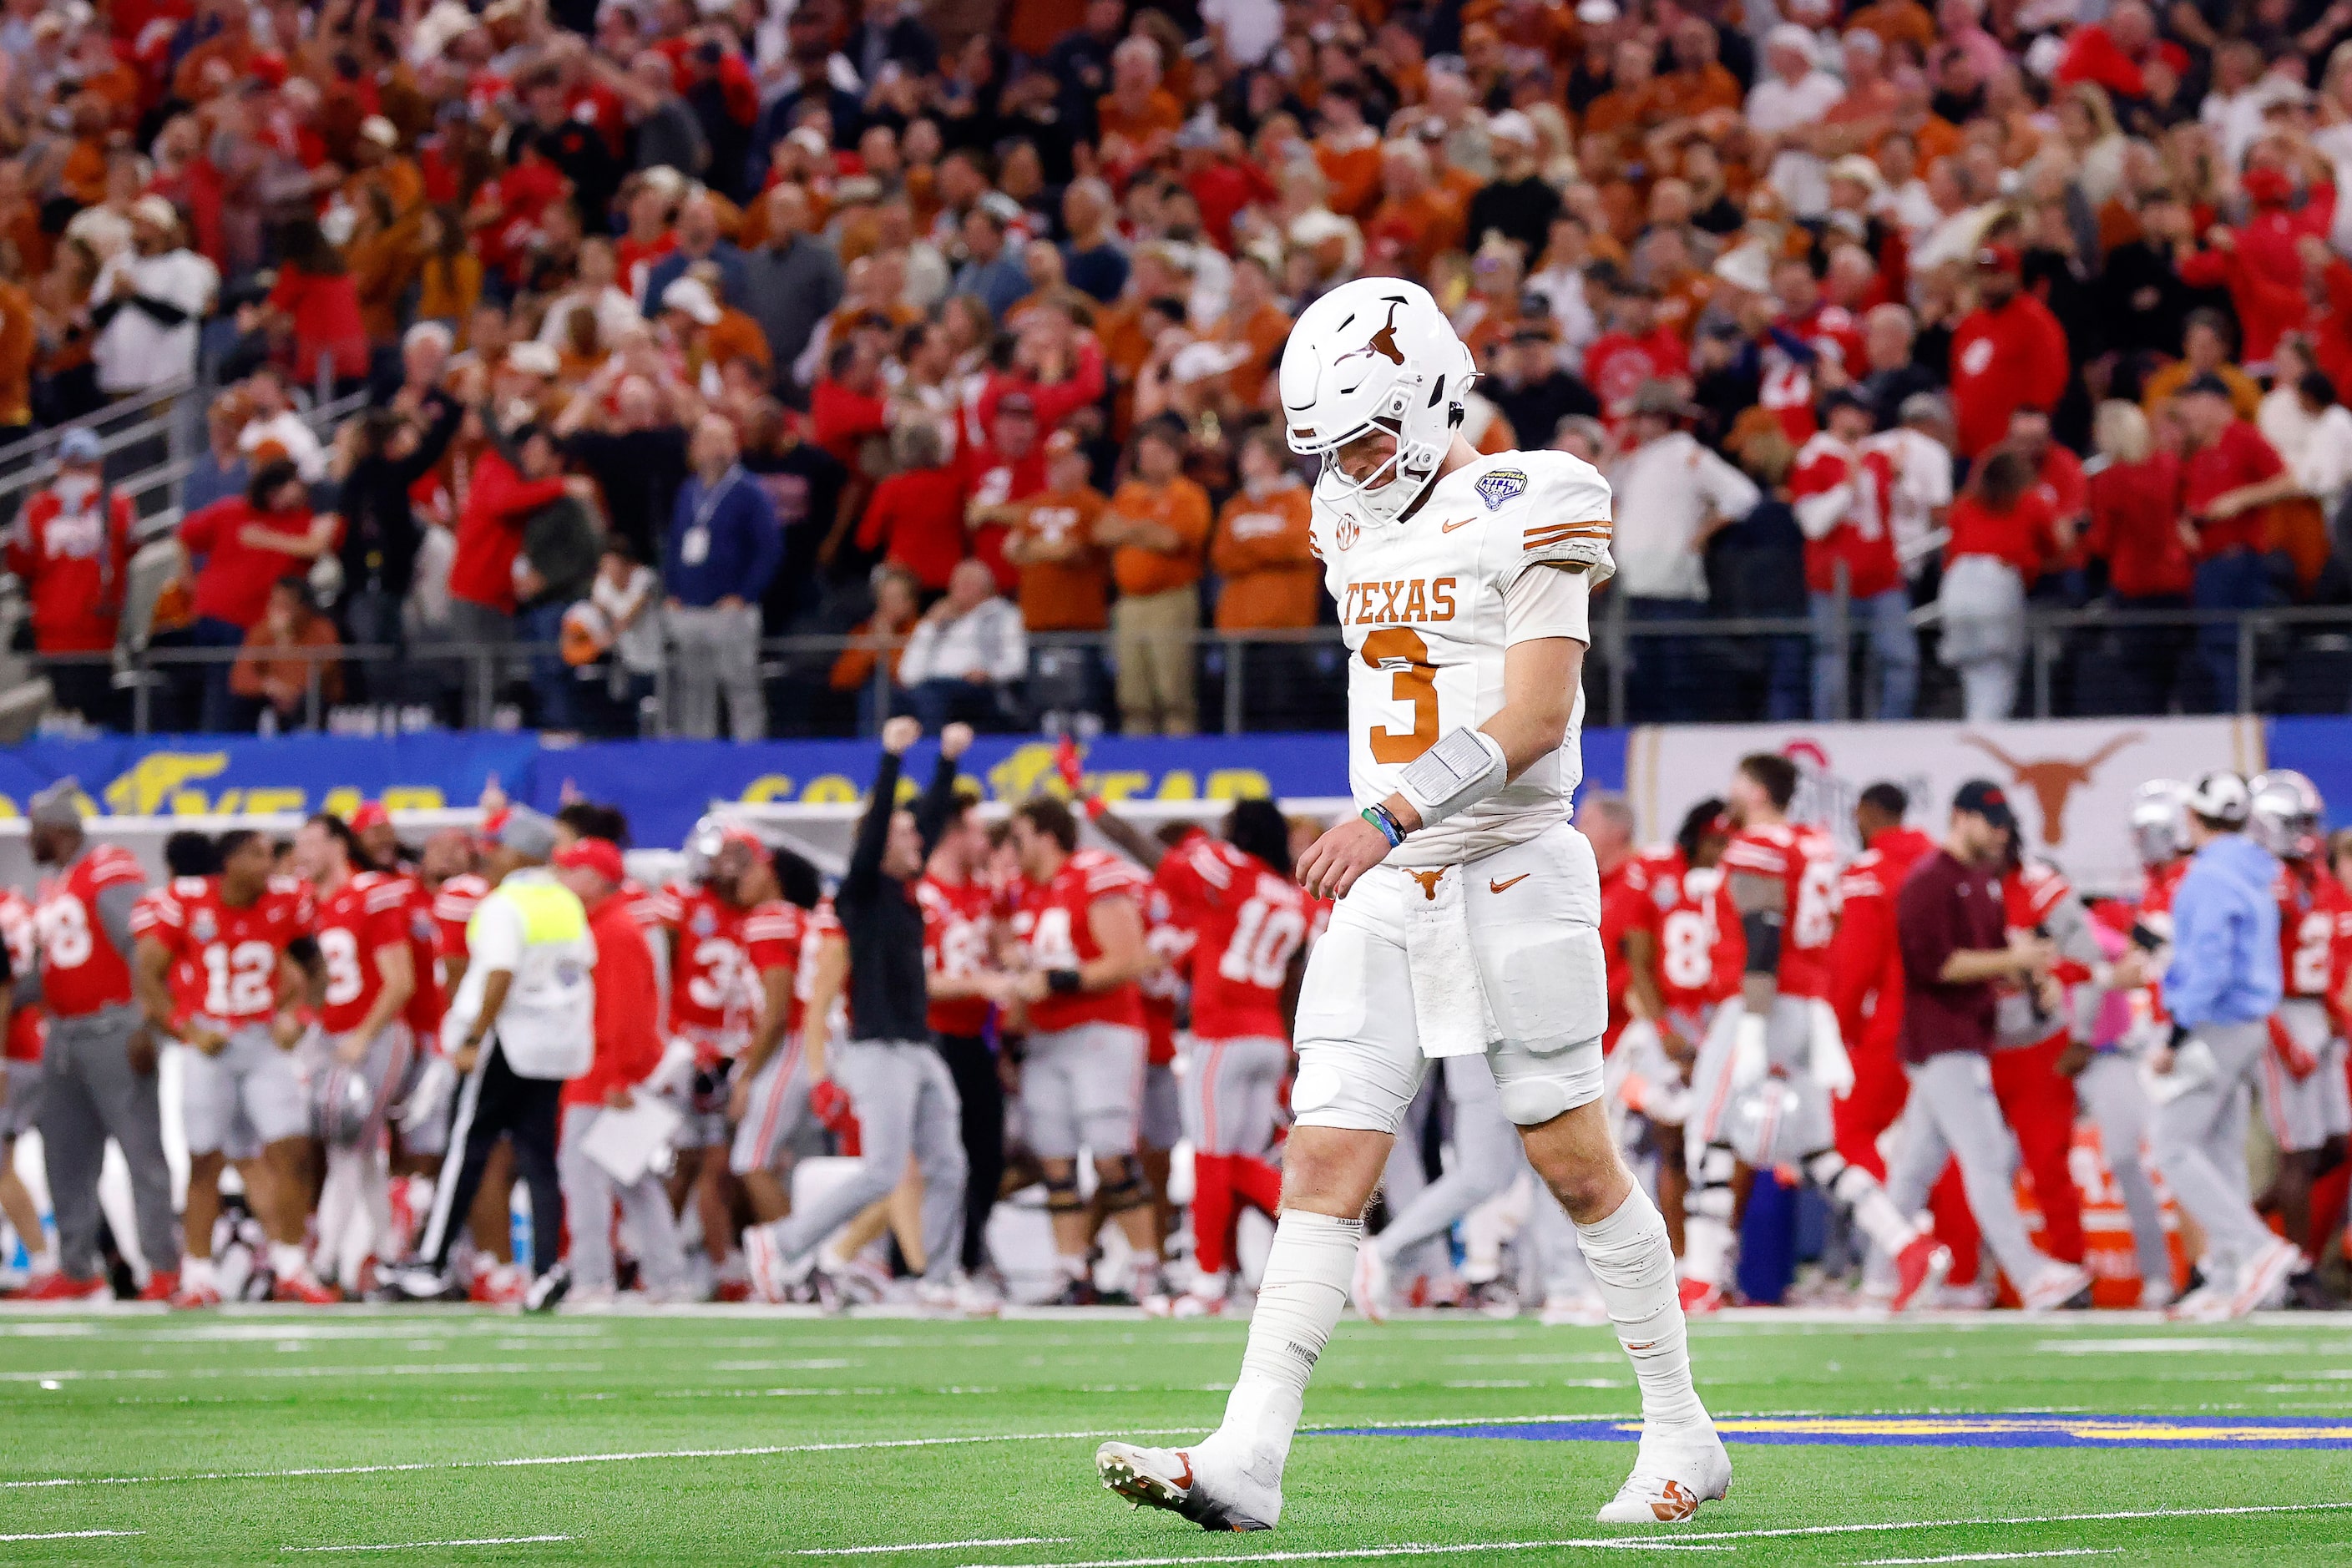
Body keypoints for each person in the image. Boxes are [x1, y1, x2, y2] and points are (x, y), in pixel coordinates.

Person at [1095, 277, 1725, 1530]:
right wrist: (1387, 831)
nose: (1350, 466)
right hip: (1394, 878)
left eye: (1370, 438)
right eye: (1328, 447)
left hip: (1503, 860)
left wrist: (1391, 810)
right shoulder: (1340, 511)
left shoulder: (1536, 493)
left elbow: (1539, 715)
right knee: (1324, 1146)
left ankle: (1680, 1427)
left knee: (1572, 1159)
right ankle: (1248, 1455)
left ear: (1437, 396)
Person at [1681, 751, 1946, 1314]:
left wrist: (1753, 1018)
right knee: (1818, 1151)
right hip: (1807, 1004)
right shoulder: (1814, 844)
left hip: (1759, 1002)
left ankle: (1702, 1276)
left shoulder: (1760, 845)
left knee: (1706, 1132)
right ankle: (1904, 1244)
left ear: (1755, 791)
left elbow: (1764, 927)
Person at [742, 719, 972, 1305]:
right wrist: (892, 759)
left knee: (949, 1165)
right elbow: (876, 840)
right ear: (878, 839)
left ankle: (938, 1278)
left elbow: (924, 821)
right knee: (882, 1170)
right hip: (877, 1050)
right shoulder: (859, 893)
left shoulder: (900, 891)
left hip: (917, 1046)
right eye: (903, 832)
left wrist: (946, 762)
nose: (918, 839)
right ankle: (784, 1241)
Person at [1883, 780, 2092, 1313]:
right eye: (1990, 822)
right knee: (1988, 1156)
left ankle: (1878, 1278)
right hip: (1943, 1039)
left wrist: (2030, 975)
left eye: (2003, 824)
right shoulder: (1929, 881)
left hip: (1965, 1036)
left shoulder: (1980, 882)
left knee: (1914, 1170)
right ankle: (2028, 1274)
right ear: (1960, 817)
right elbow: (1940, 965)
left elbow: (1994, 956)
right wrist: (2014, 963)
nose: (2000, 833)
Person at [387, 807, 593, 1313]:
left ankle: (432, 1260)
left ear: (520, 853)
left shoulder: (506, 903)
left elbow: (499, 973)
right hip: (555, 1044)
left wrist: (476, 1035)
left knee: (467, 1147)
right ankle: (547, 1269)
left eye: (499, 848)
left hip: (507, 1039)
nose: (491, 856)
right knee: (539, 1161)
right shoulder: (566, 901)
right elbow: (578, 969)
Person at [131, 826, 331, 1306]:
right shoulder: (190, 902)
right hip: (210, 1043)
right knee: (205, 1161)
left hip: (262, 1041)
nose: (270, 865)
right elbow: (147, 972)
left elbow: (316, 966)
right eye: (258, 855)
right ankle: (198, 1274)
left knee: (292, 1152)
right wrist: (187, 1029)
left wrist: (300, 1016)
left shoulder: (285, 904)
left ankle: (291, 1266)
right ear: (231, 862)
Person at [2152, 772, 2307, 1320]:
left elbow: (2208, 965)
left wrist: (2175, 1031)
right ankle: (2224, 1278)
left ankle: (2258, 1251)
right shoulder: (2258, 869)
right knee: (2219, 1151)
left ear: (2194, 817)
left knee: (2170, 1144)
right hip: (2249, 1023)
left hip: (2215, 1023)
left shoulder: (2207, 876)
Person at [19, 781, 180, 1301]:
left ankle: (163, 1265)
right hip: (63, 1035)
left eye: (36, 831)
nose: (28, 842)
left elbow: (144, 945)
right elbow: (60, 966)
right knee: (64, 1154)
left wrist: (145, 1021)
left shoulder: (107, 867)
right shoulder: (61, 881)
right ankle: (76, 1266)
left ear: (59, 830)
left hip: (113, 1028)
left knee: (140, 1151)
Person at [551, 835, 688, 1304]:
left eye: (571, 870)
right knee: (633, 1179)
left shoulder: (613, 932)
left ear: (592, 878)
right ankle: (666, 1278)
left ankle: (593, 1278)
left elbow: (626, 1014)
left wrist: (616, 1076)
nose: (562, 878)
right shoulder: (604, 926)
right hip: (607, 1071)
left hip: (603, 1077)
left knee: (584, 1177)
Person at [291, 812, 416, 1295]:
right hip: (329, 1038)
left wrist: (364, 1035)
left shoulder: (372, 893)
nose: (302, 853)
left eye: (311, 843)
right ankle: (388, 1257)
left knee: (348, 1145)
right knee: (356, 1154)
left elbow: (400, 980)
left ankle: (324, 1263)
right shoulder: (305, 904)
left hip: (374, 1035)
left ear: (339, 845)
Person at [2245, 771, 2352, 1284]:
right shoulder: (2268, 883)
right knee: (2299, 1151)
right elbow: (2258, 970)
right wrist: (2285, 1042)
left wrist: (2337, 1021)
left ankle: (2245, 1222)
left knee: (2335, 1144)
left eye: (2312, 820)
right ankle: (2298, 1270)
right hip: (2281, 1013)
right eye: (2297, 822)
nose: (2308, 832)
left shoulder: (2318, 880)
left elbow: (2326, 965)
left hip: (2317, 1014)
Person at [1607, 380, 1759, 724]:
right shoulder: (1634, 460)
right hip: (1636, 584)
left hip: (1674, 584)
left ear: (1663, 419)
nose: (1637, 424)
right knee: (1643, 680)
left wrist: (1704, 532)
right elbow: (1600, 483)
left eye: (1643, 417)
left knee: (1676, 678)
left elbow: (1742, 495)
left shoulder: (1689, 455)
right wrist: (1616, 442)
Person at [1790, 388, 1913, 721]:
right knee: (1832, 661)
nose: (1865, 419)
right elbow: (1813, 525)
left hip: (1883, 576)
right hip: (1833, 581)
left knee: (1900, 659)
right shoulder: (1813, 459)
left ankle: (1892, 730)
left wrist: (1900, 480)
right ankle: (1831, 732)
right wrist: (1846, 486)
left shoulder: (1880, 456)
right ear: (1836, 414)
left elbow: (1909, 513)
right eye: (1856, 411)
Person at [665, 413, 781, 741]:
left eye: (723, 440)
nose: (716, 449)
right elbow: (674, 544)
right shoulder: (688, 491)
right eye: (709, 440)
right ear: (696, 447)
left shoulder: (750, 492)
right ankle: (697, 756)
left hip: (731, 610)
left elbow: (769, 549)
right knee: (694, 690)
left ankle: (748, 756)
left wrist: (744, 594)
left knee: (741, 686)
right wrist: (672, 590)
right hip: (690, 607)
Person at [8, 425, 134, 725]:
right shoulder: (118, 503)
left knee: (66, 711)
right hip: (96, 626)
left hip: (56, 628)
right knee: (96, 712)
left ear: (61, 464)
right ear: (98, 465)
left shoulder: (35, 508)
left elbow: (19, 561)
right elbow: (132, 545)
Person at [1099, 417, 1211, 736]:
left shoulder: (1188, 495)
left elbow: (1174, 541)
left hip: (1170, 601)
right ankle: (1138, 758)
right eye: (1143, 453)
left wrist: (1131, 530)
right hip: (1130, 603)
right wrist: (1147, 529)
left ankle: (1179, 758)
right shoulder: (1128, 493)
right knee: (1132, 694)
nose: (1146, 461)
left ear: (1173, 455)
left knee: (1172, 691)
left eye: (1155, 453)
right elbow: (1103, 532)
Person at [1937, 447, 2061, 721]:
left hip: (1956, 583)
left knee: (1972, 673)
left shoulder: (1964, 504)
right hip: (1997, 581)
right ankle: (1984, 737)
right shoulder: (2030, 501)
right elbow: (2054, 549)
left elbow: (1950, 550)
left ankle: (1975, 728)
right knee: (1998, 675)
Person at [895, 557, 1028, 731]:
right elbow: (908, 674)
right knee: (887, 697)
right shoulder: (936, 620)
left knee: (932, 697)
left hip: (979, 688)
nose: (959, 589)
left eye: (968, 583)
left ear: (987, 588)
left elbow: (1017, 664)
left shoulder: (1005, 615)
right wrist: (929, 626)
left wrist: (989, 673)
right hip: (930, 685)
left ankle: (933, 751)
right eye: (956, 583)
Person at [229, 576, 344, 729]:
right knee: (239, 702)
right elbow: (240, 677)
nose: (278, 609)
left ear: (303, 607)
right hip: (273, 695)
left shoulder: (323, 630)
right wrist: (269, 686)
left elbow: (320, 673)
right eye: (275, 602)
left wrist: (286, 643)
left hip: (311, 698)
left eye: (286, 604)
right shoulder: (262, 631)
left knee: (307, 701)